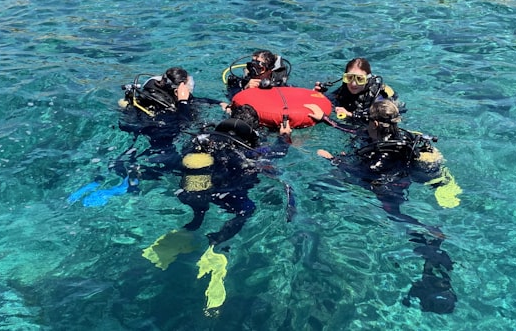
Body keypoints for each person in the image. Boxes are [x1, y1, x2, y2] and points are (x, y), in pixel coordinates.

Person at [311, 99, 460, 314]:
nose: (367, 123)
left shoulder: (383, 154)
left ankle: (428, 234)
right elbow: (356, 130)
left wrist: (332, 159)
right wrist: (326, 120)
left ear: (377, 124)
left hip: (390, 186)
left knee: (395, 215)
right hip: (408, 175)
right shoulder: (400, 136)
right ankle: (431, 249)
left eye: (369, 120)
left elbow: (364, 173)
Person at [142, 104, 292, 315]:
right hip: (228, 188)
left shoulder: (205, 138)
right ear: (253, 128)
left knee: (200, 203)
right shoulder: (248, 146)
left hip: (194, 185)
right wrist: (284, 137)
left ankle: (191, 226)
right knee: (245, 210)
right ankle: (216, 246)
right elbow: (277, 152)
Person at [314, 57, 397, 123]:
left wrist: (351, 115)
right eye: (349, 78)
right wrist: (319, 95)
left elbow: (382, 117)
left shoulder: (378, 95)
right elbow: (332, 101)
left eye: (360, 79)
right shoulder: (345, 88)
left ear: (368, 79)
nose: (353, 84)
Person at [224, 49, 290, 98]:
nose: (252, 68)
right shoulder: (240, 82)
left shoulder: (278, 82)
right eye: (252, 63)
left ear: (265, 69)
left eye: (257, 65)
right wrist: (245, 89)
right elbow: (231, 98)